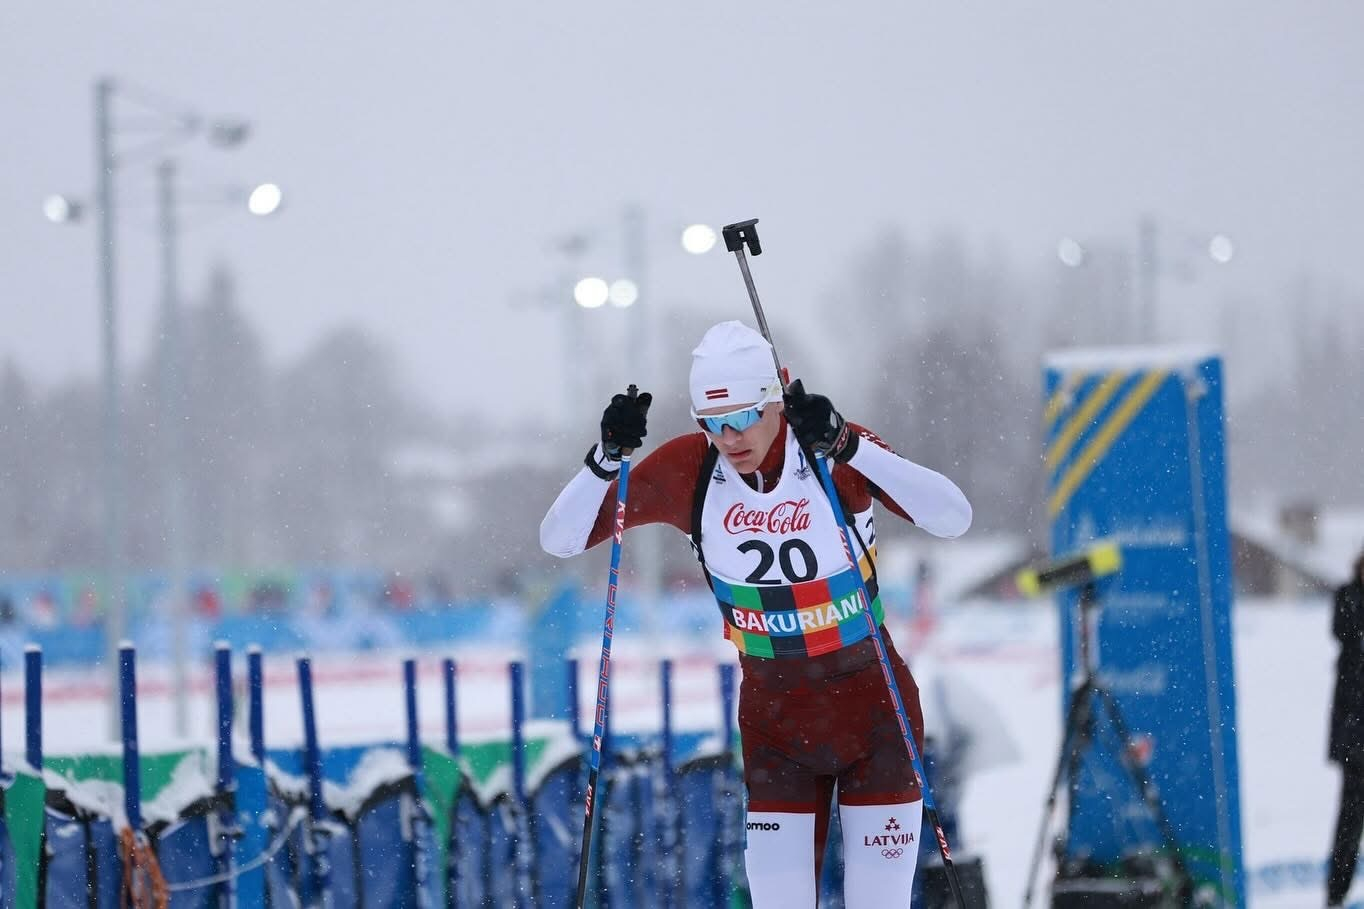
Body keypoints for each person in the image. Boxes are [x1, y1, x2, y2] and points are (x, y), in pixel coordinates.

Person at [540, 321, 972, 907]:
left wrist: (850, 445)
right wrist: (605, 459)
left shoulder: (827, 447)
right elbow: (561, 540)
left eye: (743, 417)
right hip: (777, 729)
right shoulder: (691, 469)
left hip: (875, 715)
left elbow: (953, 517)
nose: (730, 438)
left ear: (776, 399)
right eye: (711, 423)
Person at [1328, 549, 1364, 907]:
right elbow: (1344, 631)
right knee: (1349, 824)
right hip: (1356, 739)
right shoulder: (1348, 598)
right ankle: (1336, 894)